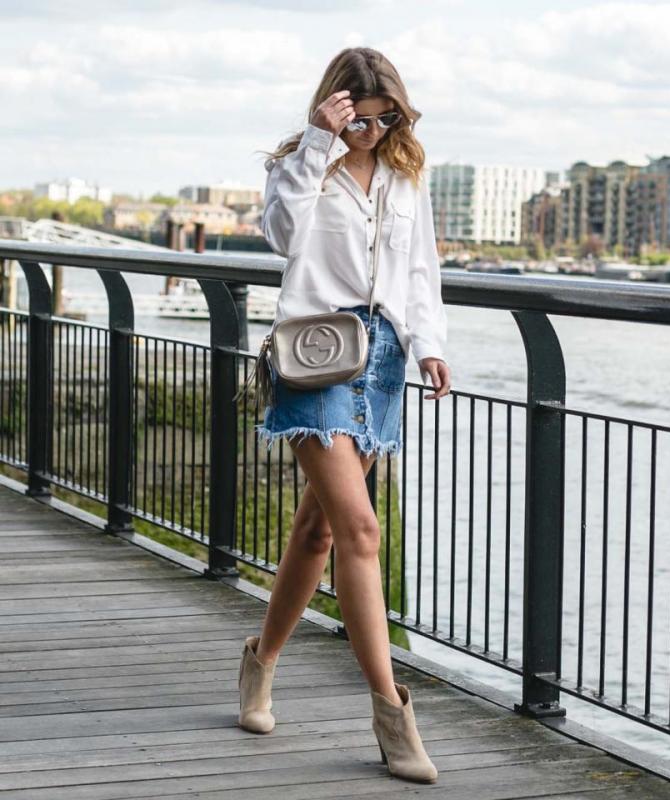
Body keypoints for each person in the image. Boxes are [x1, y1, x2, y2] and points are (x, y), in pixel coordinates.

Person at [237, 46, 449, 784]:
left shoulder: (405, 173)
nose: (371, 129)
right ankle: (393, 714)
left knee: (320, 527)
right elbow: (282, 237)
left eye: (384, 116)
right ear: (336, 105)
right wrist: (320, 145)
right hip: (317, 352)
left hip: (384, 357)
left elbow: (421, 271)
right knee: (361, 528)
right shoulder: (300, 164)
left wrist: (429, 346)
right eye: (359, 116)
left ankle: (259, 663)